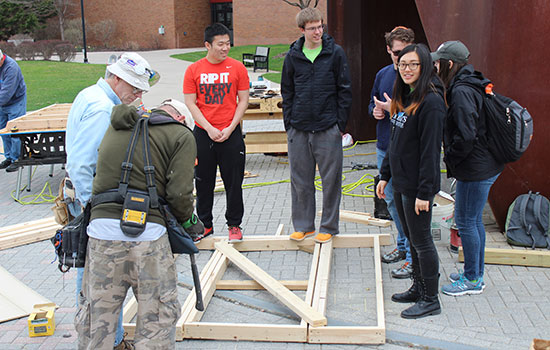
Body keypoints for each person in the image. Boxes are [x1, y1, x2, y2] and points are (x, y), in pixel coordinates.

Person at [76, 101, 198, 349]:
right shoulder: (181, 134)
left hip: (101, 234)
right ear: (181, 118)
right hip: (149, 238)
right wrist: (189, 222)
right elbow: (179, 194)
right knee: (156, 320)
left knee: (97, 322)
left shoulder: (117, 125)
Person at [66, 52, 155, 350]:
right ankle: (104, 340)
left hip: (84, 198)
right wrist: (91, 207)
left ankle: (106, 338)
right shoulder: (102, 109)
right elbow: (81, 164)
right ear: (115, 77)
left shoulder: (90, 95)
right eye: (133, 86)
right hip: (89, 201)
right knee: (98, 277)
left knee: (97, 274)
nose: (137, 93)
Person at [376, 43, 445, 319]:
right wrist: (385, 175)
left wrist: (425, 193)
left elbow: (431, 152)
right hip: (402, 182)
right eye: (403, 64)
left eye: (413, 64)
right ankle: (418, 287)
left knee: (423, 241)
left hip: (418, 187)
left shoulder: (431, 103)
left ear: (424, 66)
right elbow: (395, 142)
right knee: (414, 240)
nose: (407, 69)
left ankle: (431, 299)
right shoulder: (404, 96)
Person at [432, 41, 504, 296]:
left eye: (439, 62)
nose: (435, 66)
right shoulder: (471, 82)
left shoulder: (461, 91)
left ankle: (473, 279)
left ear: (450, 64)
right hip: (483, 164)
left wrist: (450, 157)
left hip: (475, 167)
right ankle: (475, 273)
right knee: (473, 221)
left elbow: (465, 135)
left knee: (465, 221)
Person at [281, 7, 352, 244]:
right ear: (302, 30)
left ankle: (329, 226)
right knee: (300, 181)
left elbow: (344, 90)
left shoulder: (335, 53)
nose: (318, 32)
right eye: (312, 28)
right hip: (299, 129)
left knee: (331, 181)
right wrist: (289, 125)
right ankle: (304, 226)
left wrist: (339, 124)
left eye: (320, 26)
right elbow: (287, 91)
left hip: (327, 128)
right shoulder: (293, 56)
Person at [184, 23, 249, 242]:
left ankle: (234, 225)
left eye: (228, 43)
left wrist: (230, 127)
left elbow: (244, 100)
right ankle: (205, 225)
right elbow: (191, 103)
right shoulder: (193, 70)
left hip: (231, 133)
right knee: (203, 182)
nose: (225, 48)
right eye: (220, 44)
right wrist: (209, 128)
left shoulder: (237, 68)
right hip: (203, 133)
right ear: (207, 45)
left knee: (233, 182)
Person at [368, 26, 415, 278]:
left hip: (406, 151)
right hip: (384, 145)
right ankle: (402, 247)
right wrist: (375, 111)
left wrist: (393, 109)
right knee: (390, 200)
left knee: (406, 202)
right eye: (397, 53)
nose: (402, 58)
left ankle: (410, 254)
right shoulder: (383, 74)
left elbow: (420, 115)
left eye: (406, 52)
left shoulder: (417, 78)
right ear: (388, 50)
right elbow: (372, 102)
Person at [0, 48, 26, 173]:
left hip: (15, 101)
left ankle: (17, 159)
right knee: (3, 130)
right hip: (2, 103)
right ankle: (9, 157)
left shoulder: (11, 68)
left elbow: (6, 94)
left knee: (14, 131)